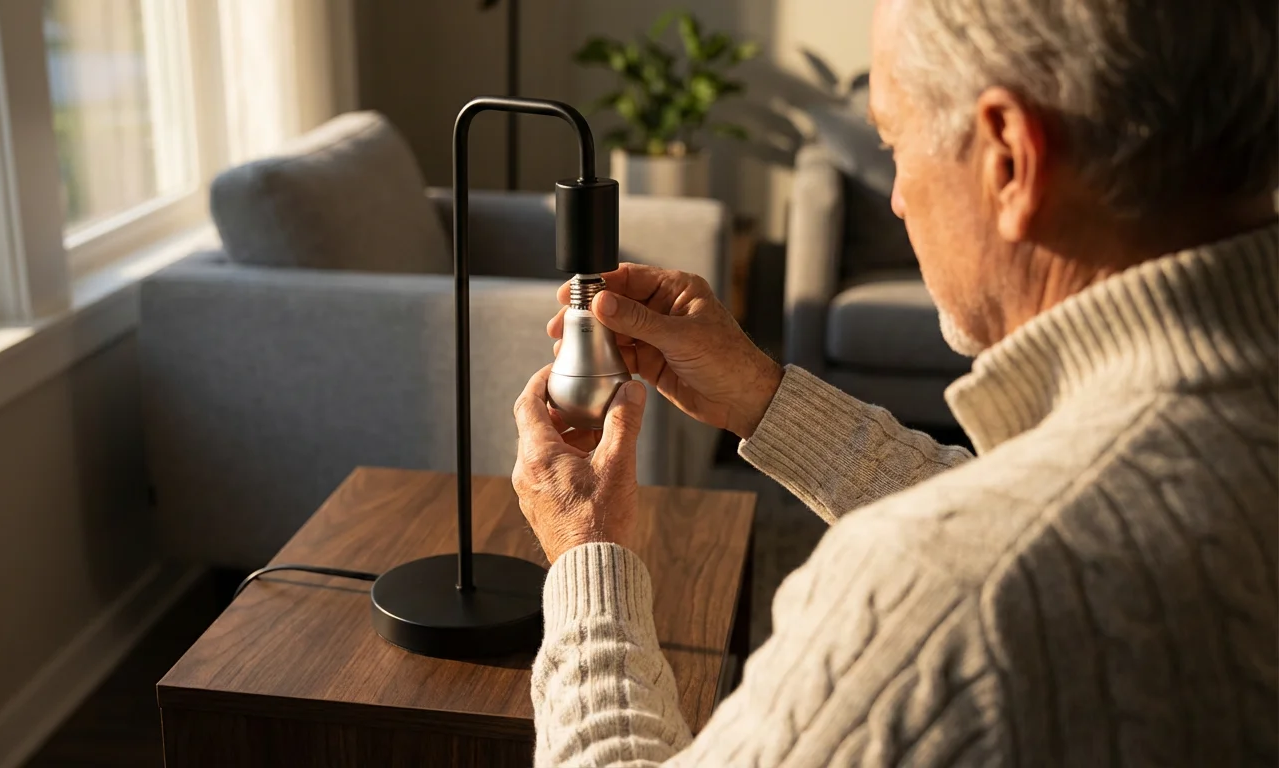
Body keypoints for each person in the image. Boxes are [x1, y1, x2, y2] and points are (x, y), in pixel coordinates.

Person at [511, 0, 1278, 765]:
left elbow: (1001, 550)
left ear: (1009, 158)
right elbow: (1033, 507)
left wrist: (587, 554)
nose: (897, 198)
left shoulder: (938, 602)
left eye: (895, 144)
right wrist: (764, 398)